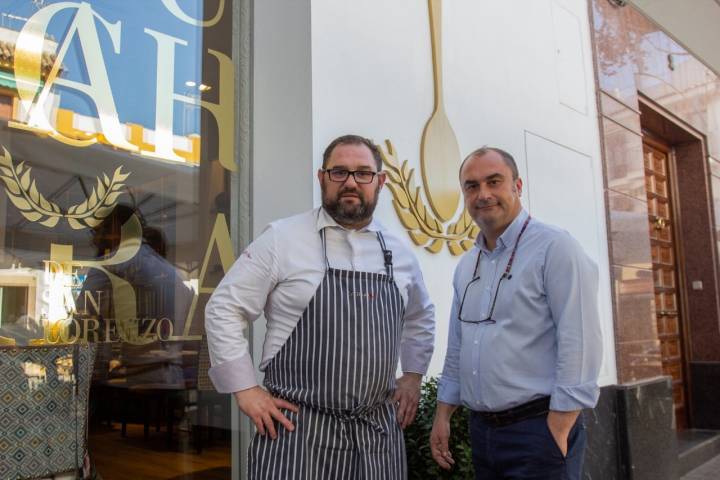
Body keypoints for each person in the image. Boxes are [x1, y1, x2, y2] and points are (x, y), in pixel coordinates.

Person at [205, 134, 435, 479]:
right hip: (297, 435)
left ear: (381, 181)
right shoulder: (282, 238)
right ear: (321, 177)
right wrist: (246, 389)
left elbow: (420, 316)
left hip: (376, 437)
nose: (351, 182)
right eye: (339, 172)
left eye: (363, 173)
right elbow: (224, 307)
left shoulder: (399, 254)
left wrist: (414, 376)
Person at [430, 147, 602, 479]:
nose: (483, 194)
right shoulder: (467, 265)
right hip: (484, 434)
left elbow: (580, 340)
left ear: (518, 186)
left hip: (538, 431)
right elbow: (458, 344)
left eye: (494, 181)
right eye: (472, 185)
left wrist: (558, 428)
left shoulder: (555, 248)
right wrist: (443, 414)